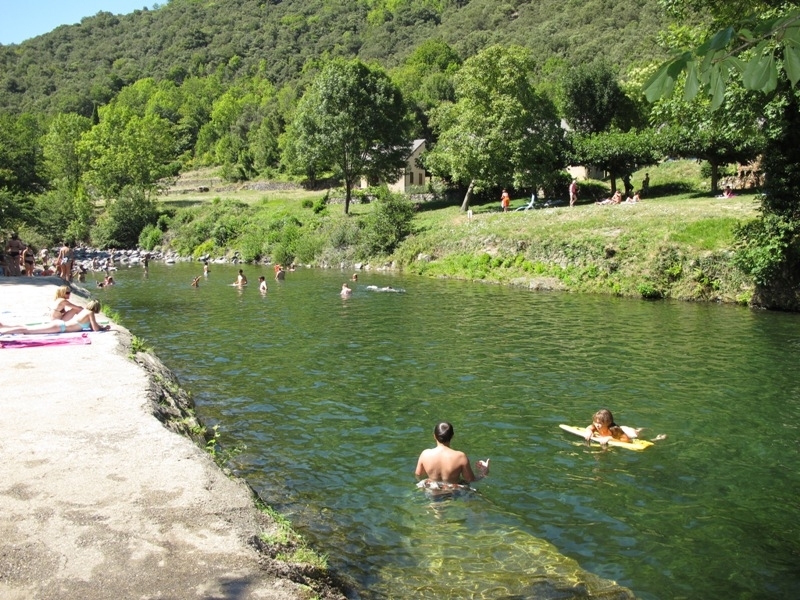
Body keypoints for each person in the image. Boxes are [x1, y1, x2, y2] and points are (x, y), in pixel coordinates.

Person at [415, 422, 489, 492]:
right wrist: (484, 472)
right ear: (452, 436)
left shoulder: (425, 454)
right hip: (454, 492)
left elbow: (418, 475)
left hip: (432, 491)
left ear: (434, 436)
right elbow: (470, 479)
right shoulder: (460, 457)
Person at [1, 300, 110, 335]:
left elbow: (92, 326)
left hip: (59, 324)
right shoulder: (90, 313)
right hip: (60, 327)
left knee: (26, 328)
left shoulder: (85, 311)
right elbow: (95, 329)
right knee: (27, 331)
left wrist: (103, 327)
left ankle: (3, 326)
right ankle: (3, 332)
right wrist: (102, 328)